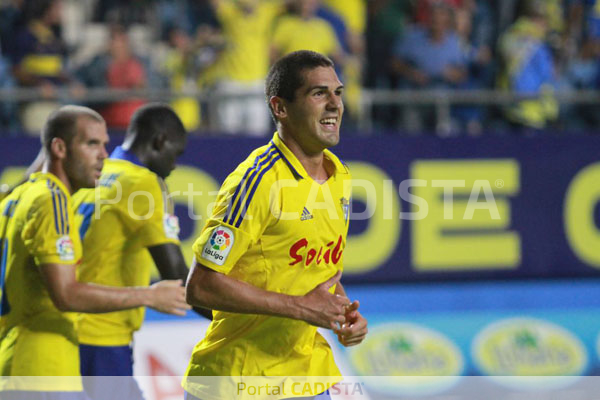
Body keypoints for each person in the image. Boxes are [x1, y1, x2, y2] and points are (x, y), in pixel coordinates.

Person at [183, 50, 368, 400]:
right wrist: (300, 307)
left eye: (338, 93)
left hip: (309, 380)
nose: (335, 104)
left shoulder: (339, 175)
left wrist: (342, 312)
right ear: (280, 108)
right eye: (319, 93)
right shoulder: (256, 183)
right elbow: (201, 286)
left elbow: (318, 271)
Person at [0, 105, 189, 400]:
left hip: (22, 355)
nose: (103, 153)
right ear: (60, 148)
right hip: (57, 359)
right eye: (92, 144)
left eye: (103, 144)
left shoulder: (19, 197)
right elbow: (67, 294)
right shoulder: (54, 201)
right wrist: (150, 295)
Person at [72, 103, 211, 400]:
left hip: (65, 330)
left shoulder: (91, 172)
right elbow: (177, 278)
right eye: (176, 153)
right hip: (103, 336)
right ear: (160, 141)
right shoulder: (144, 184)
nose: (175, 165)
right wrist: (242, 318)